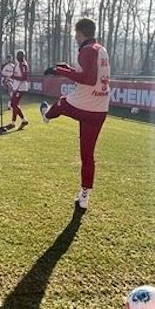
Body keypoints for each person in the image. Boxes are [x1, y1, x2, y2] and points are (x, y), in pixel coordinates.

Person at [39, 18, 112, 211]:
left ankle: (47, 115)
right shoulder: (100, 49)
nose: (75, 37)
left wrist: (58, 70)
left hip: (85, 105)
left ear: (80, 34)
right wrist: (67, 69)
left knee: (62, 102)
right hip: (100, 109)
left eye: (76, 34)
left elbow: (87, 78)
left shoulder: (86, 50)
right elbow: (89, 73)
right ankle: (85, 195)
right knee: (87, 155)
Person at [1, 49, 31, 131]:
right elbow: (15, 75)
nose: (17, 57)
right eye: (17, 55)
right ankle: (19, 121)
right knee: (14, 104)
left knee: (13, 104)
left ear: (22, 56)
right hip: (16, 86)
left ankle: (16, 122)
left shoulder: (23, 65)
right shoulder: (17, 64)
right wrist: (8, 78)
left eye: (19, 55)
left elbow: (24, 78)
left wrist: (13, 77)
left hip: (21, 87)